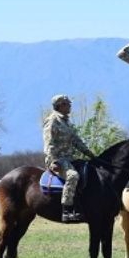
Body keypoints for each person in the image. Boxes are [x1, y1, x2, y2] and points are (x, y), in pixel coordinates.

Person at [43, 94, 95, 222]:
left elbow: (76, 140)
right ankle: (66, 210)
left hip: (70, 158)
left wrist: (91, 155)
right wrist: (53, 161)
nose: (70, 106)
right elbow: (49, 143)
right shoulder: (52, 121)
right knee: (73, 176)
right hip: (58, 160)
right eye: (67, 104)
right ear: (60, 105)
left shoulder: (66, 121)